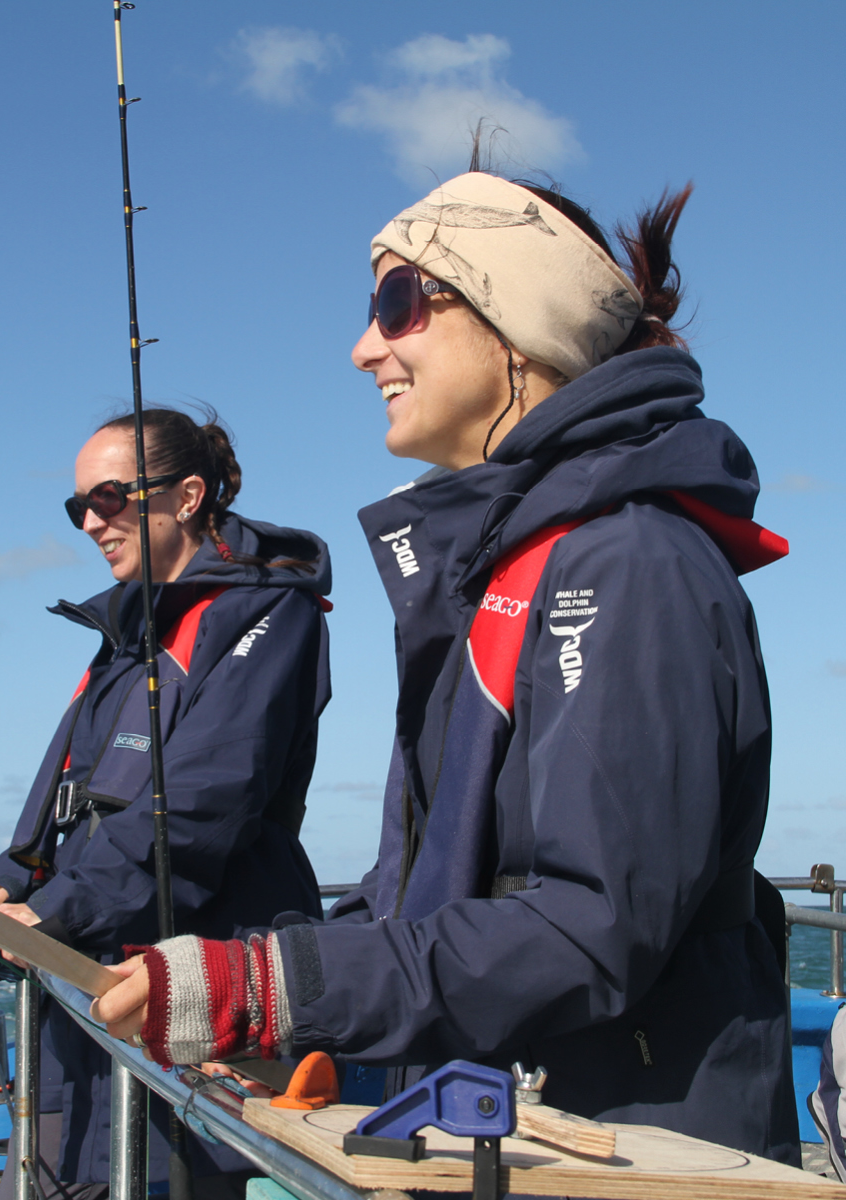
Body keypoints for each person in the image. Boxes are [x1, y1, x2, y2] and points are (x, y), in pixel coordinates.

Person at [91, 171, 797, 1162]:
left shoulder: (625, 565)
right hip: (502, 1123)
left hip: (625, 1146)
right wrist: (292, 1014)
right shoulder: (507, 568)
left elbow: (592, 926)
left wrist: (276, 989)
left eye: (397, 302)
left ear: (519, 324)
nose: (365, 345)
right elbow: (430, 881)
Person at [0, 407, 331, 1197]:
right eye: (78, 508)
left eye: (109, 497)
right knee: (60, 1173)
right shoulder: (127, 629)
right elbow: (66, 782)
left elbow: (208, 800)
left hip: (198, 964)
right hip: (96, 946)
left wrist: (61, 910)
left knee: (173, 1170)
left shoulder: (273, 610)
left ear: (188, 495)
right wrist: (13, 877)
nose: (91, 521)